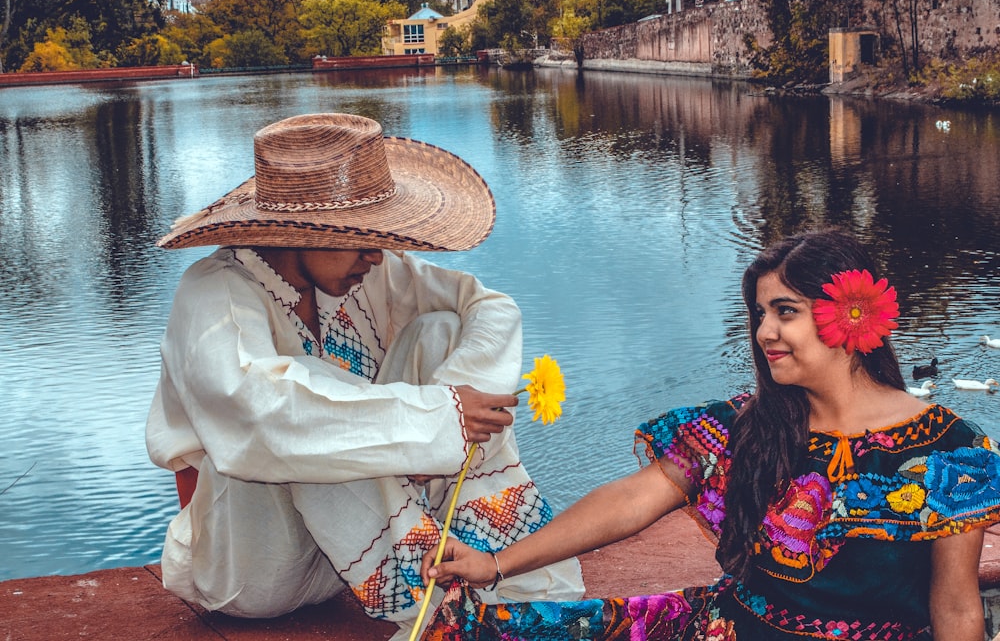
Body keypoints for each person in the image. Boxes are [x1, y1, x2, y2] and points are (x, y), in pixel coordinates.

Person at [419, 228, 1000, 640]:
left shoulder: (948, 451)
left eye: (785, 311)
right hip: (732, 630)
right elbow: (632, 499)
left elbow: (953, 607)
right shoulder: (744, 425)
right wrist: (496, 564)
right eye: (760, 313)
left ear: (850, 314)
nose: (765, 331)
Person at [145, 113, 584, 640]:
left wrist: (448, 415)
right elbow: (262, 418)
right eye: (359, 236)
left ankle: (502, 576)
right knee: (308, 387)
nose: (377, 254)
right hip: (253, 567)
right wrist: (432, 425)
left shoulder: (371, 273)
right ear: (297, 234)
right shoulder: (212, 294)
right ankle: (434, 607)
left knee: (441, 331)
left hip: (352, 552)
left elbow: (489, 307)